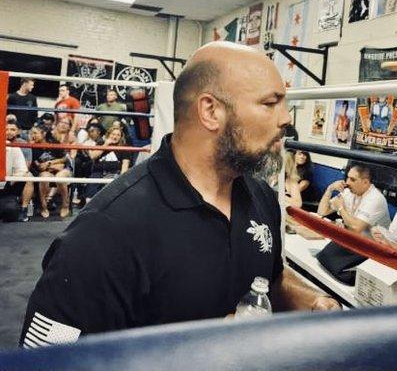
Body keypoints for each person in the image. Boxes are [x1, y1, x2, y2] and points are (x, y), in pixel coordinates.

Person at [20, 41, 340, 348]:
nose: (286, 118)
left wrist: (314, 302)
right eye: (270, 104)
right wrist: (202, 352)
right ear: (211, 111)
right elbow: (44, 363)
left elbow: (268, 280)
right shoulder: (105, 232)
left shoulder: (260, 197)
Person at [318, 163, 391, 235]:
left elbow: (356, 228)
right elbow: (322, 212)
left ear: (365, 182)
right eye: (347, 177)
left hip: (373, 244)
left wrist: (341, 208)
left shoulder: (375, 198)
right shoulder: (349, 191)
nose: (347, 182)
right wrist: (330, 189)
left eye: (352, 180)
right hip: (352, 237)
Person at [28, 124, 72, 219]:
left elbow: (65, 159)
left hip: (62, 169)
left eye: (35, 133)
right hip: (47, 171)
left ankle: (65, 205)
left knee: (60, 177)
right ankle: (44, 207)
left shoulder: (54, 143)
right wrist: (54, 166)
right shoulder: (33, 147)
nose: (33, 136)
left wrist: (50, 162)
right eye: (32, 133)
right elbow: (40, 167)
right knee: (44, 177)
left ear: (43, 134)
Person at [85, 126, 132, 200]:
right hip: (98, 171)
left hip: (114, 172)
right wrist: (105, 145)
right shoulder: (101, 143)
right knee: (92, 186)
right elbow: (93, 156)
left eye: (118, 135)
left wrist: (122, 178)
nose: (115, 136)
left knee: (113, 185)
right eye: (113, 134)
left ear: (121, 137)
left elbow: (125, 164)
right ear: (109, 135)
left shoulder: (124, 147)